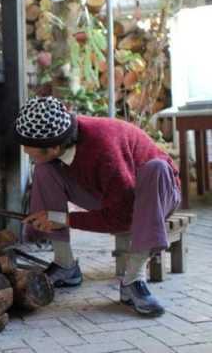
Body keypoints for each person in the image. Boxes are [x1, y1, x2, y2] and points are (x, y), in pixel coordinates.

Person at [13, 96, 181, 317]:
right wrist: (49, 217)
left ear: (54, 147)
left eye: (29, 146)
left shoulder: (104, 149)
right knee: (44, 170)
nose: (25, 150)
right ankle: (65, 265)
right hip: (109, 191)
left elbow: (123, 216)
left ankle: (133, 281)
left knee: (155, 168)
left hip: (155, 195)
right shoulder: (62, 136)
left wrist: (65, 219)